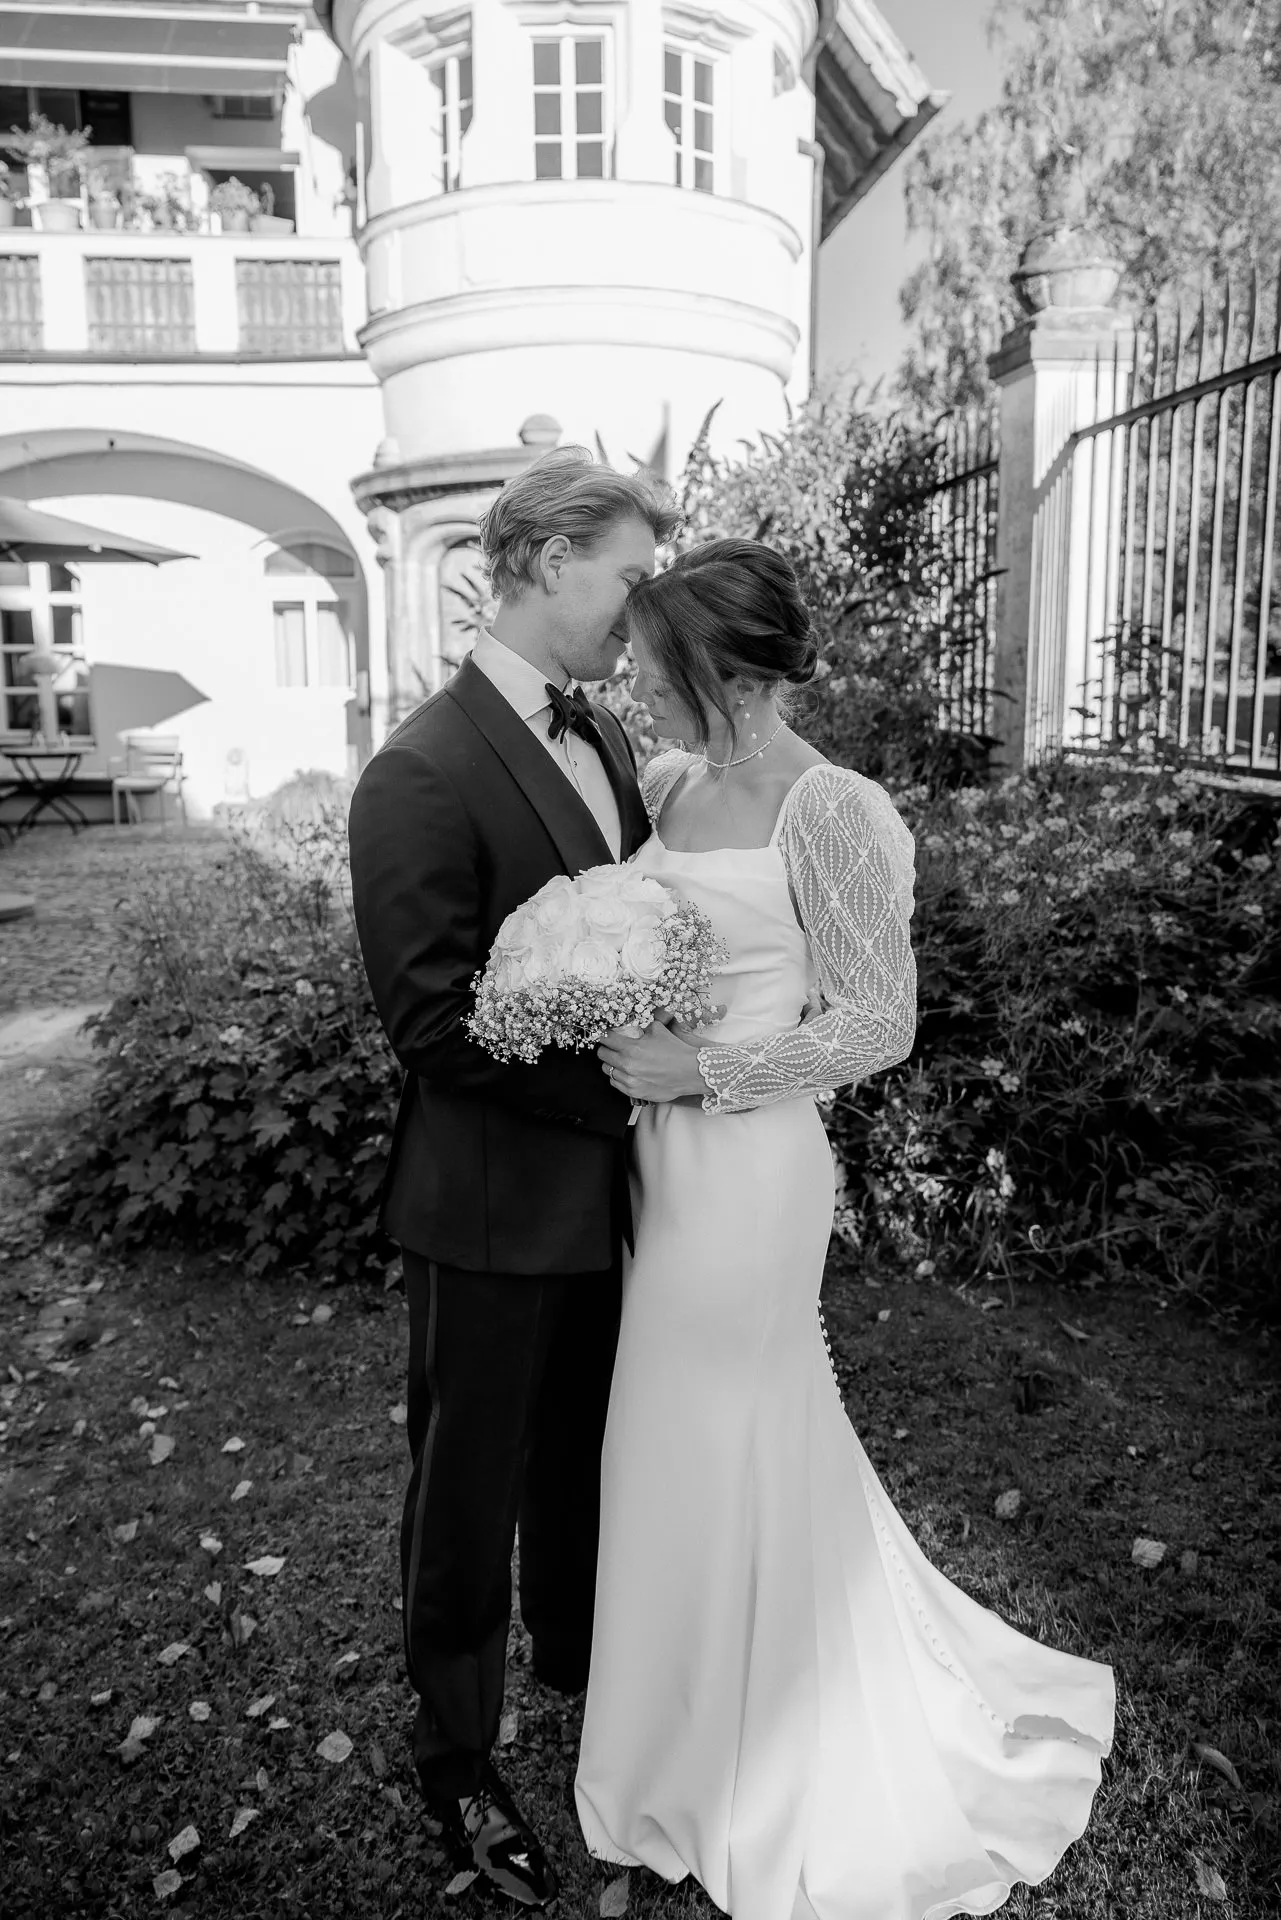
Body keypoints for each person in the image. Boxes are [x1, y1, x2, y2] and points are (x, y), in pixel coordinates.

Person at [576, 538, 1116, 1920]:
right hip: (661, 1159)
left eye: (653, 657)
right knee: (666, 1429)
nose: (635, 679)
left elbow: (882, 1020)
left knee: (728, 1419)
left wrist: (703, 1071)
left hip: (751, 1162)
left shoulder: (834, 809)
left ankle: (765, 1744)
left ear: (720, 665)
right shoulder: (672, 780)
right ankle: (680, 1730)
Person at [347, 447, 680, 1908]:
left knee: (589, 1458)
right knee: (468, 1491)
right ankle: (459, 1760)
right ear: (550, 561)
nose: (638, 601)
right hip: (489, 1206)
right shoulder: (417, 771)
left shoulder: (602, 737)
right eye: (626, 571)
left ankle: (581, 1663)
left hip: (618, 1205)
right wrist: (615, 1098)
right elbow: (429, 1023)